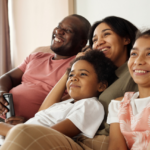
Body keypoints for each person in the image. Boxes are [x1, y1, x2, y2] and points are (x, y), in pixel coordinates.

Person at [0, 50, 117, 149]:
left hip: (35, 139)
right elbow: (40, 114)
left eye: (83, 74)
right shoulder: (66, 103)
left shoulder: (91, 105)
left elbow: (49, 134)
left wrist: (11, 130)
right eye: (71, 75)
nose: (73, 78)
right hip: (23, 136)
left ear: (101, 85)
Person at [0, 14, 91, 124]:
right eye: (59, 26)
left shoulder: (78, 66)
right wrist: (0, 91)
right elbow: (9, 77)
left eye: (68, 30)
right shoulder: (36, 56)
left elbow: (64, 106)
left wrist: (30, 123)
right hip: (4, 116)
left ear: (82, 43)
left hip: (26, 126)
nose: (59, 31)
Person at [74, 16, 139, 149]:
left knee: (25, 133)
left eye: (106, 34)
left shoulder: (136, 71)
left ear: (126, 39)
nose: (98, 43)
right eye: (94, 40)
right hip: (81, 137)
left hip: (106, 141)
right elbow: (55, 107)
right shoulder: (99, 78)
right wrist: (76, 66)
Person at [107, 29, 150, 150]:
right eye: (134, 54)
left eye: (149, 54)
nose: (138, 61)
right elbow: (116, 147)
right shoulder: (119, 105)